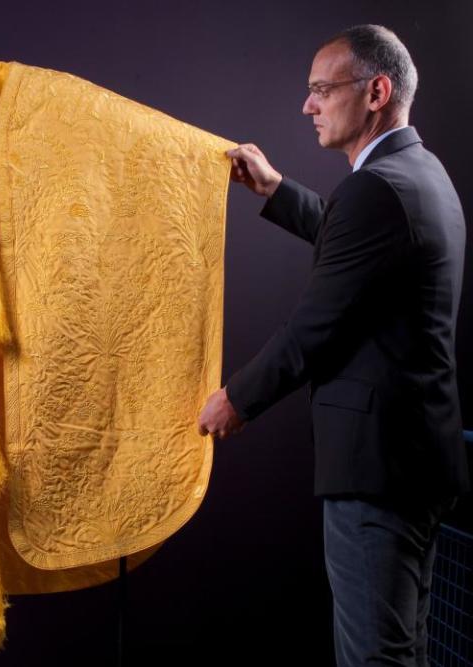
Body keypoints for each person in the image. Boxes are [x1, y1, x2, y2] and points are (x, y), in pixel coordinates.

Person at [197, 25, 468, 666]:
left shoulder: (378, 188)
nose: (308, 106)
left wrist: (234, 400)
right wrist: (274, 189)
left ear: (376, 91)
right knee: (403, 649)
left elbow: (315, 326)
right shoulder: (418, 175)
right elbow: (353, 245)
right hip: (415, 460)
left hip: (378, 470)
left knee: (377, 658)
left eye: (321, 89)